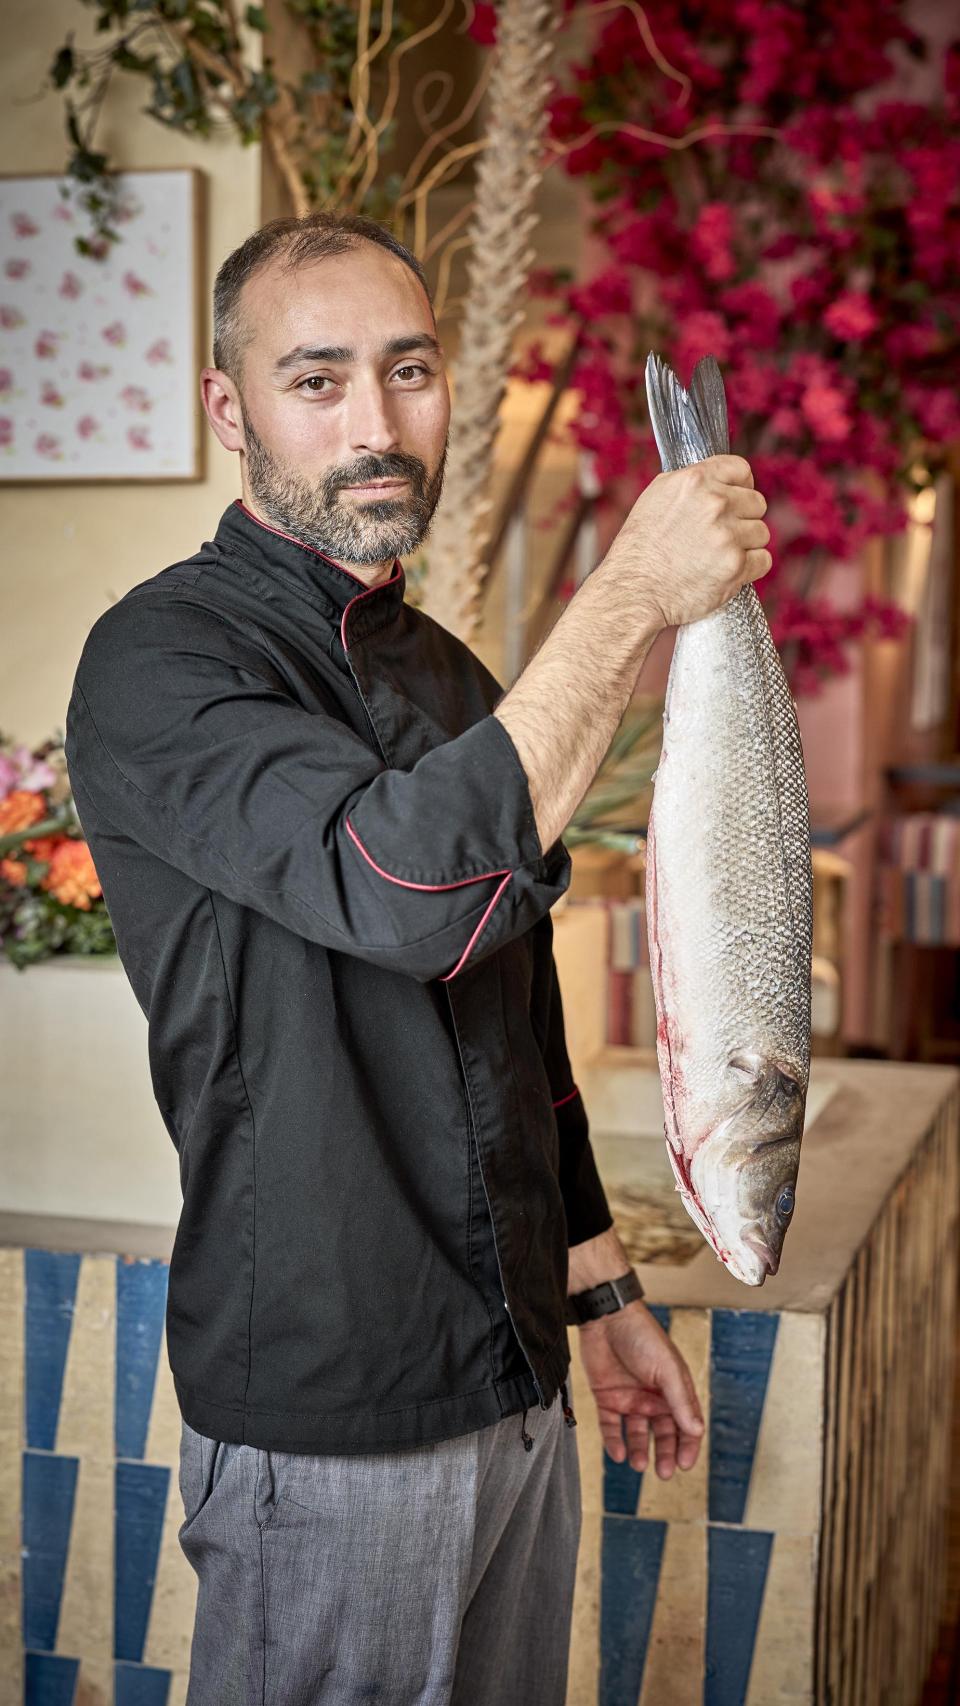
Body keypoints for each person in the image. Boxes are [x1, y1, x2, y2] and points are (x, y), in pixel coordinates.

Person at [64, 211, 772, 1705]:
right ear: (228, 408)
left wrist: (597, 1289)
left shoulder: (450, 673)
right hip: (335, 1421)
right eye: (317, 380)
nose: (376, 424)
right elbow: (408, 890)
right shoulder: (161, 660)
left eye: (409, 370)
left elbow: (511, 1019)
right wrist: (634, 590)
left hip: (518, 1392)